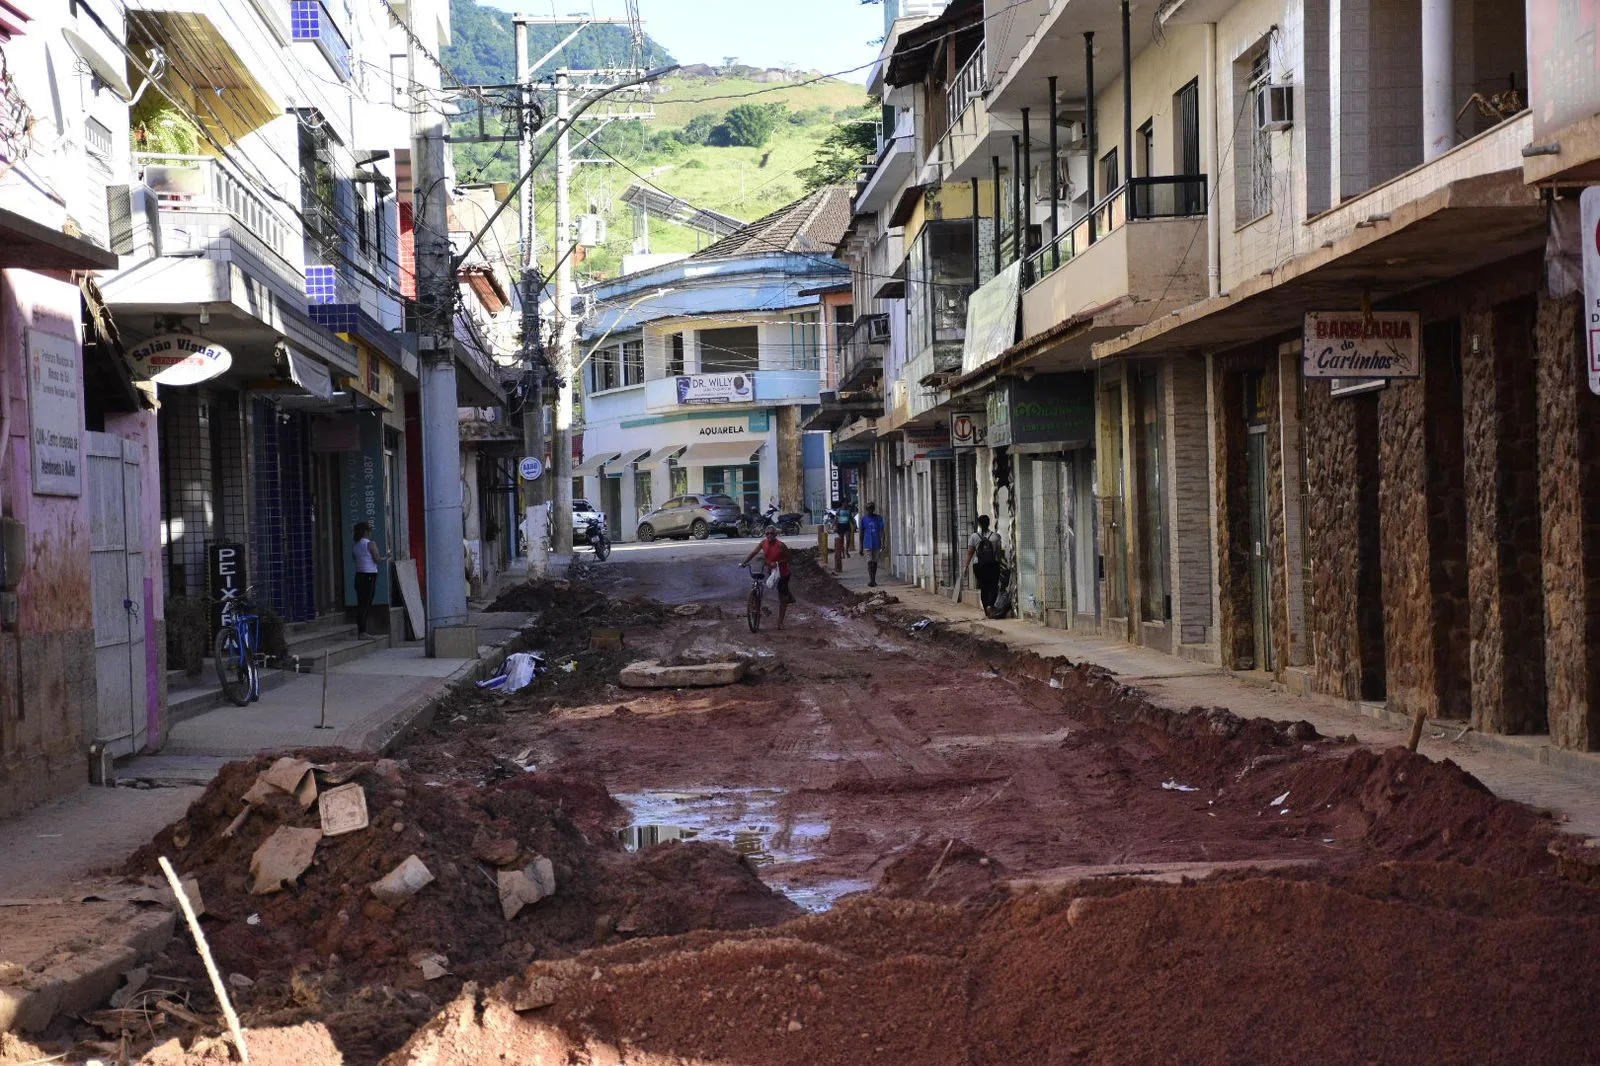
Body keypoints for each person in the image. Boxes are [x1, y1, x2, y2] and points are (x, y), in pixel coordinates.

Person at [741, 525, 795, 629]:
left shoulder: (781, 545)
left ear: (775, 534)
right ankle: (755, 603)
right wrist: (744, 563)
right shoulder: (763, 543)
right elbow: (754, 553)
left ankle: (780, 622)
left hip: (783, 572)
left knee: (782, 597)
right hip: (772, 571)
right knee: (762, 584)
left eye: (772, 533)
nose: (769, 535)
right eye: (767, 534)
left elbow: (789, 557)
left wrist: (778, 563)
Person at [964, 514, 1003, 618]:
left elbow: (970, 553)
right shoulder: (996, 536)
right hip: (993, 564)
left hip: (979, 566)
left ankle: (986, 610)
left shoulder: (974, 536)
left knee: (984, 587)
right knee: (993, 586)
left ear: (979, 524)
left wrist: (966, 567)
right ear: (989, 523)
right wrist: (1000, 564)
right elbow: (998, 554)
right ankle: (991, 605)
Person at [352, 522, 386, 638]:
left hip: (359, 575)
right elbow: (377, 559)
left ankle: (361, 630)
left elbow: (355, 560)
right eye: (369, 530)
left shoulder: (355, 545)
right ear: (366, 531)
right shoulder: (370, 544)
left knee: (361, 603)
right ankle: (363, 632)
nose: (370, 532)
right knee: (366, 604)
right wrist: (387, 557)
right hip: (369, 575)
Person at [859, 501, 886, 587]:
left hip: (877, 543)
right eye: (868, 509)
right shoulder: (864, 519)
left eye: (871, 508)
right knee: (869, 562)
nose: (869, 510)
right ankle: (871, 580)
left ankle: (873, 579)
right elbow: (861, 533)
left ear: (873, 509)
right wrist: (860, 546)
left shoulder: (878, 518)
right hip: (867, 544)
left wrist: (883, 542)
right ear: (866, 510)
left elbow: (882, 531)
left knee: (874, 563)